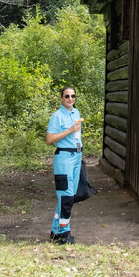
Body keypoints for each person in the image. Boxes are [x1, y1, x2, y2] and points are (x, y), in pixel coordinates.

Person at [45, 86, 96, 244]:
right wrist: (69, 130)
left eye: (73, 96)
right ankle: (64, 233)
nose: (70, 99)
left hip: (76, 156)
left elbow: (77, 137)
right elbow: (49, 139)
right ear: (61, 98)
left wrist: (81, 155)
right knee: (65, 196)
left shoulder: (76, 112)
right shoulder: (57, 116)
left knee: (69, 195)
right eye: (67, 96)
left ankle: (55, 231)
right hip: (64, 157)